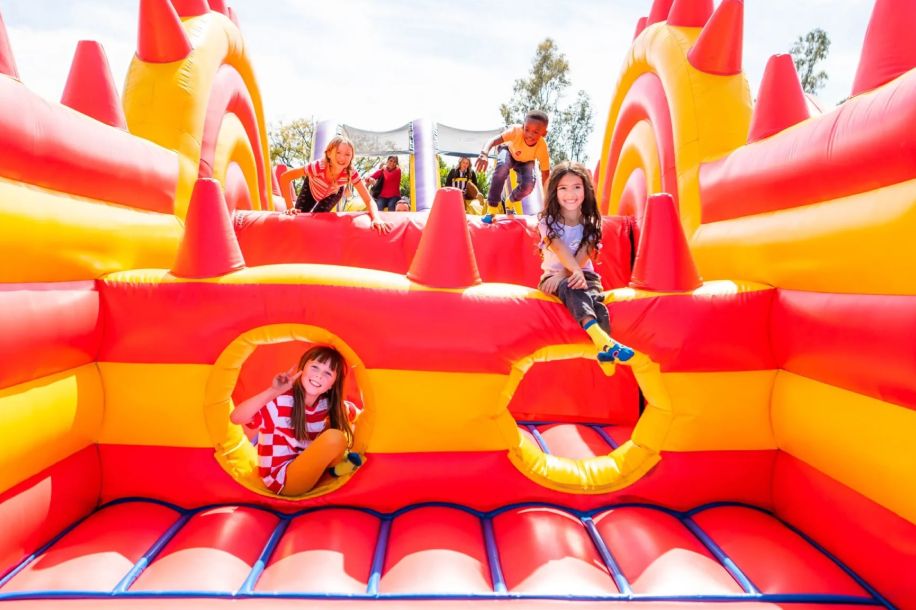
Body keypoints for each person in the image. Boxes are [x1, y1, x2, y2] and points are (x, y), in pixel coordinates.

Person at [229, 345, 364, 496]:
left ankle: (336, 469)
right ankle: (337, 467)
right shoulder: (283, 402)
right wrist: (274, 391)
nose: (319, 375)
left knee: (341, 428)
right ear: (302, 369)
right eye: (315, 367)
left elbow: (358, 415)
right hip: (283, 480)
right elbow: (236, 418)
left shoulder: (327, 405)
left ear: (331, 386)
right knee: (335, 438)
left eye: (327, 373)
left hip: (306, 470)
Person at [537, 161, 634, 366]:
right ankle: (602, 339)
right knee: (572, 287)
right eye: (563, 188)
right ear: (555, 191)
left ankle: (606, 355)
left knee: (596, 299)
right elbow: (559, 248)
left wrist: (572, 273)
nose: (570, 194)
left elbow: (584, 253)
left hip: (583, 275)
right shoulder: (547, 222)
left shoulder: (591, 221)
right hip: (553, 279)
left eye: (576, 187)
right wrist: (568, 275)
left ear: (585, 190)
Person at [281, 136, 391, 234]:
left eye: (347, 154)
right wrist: (290, 207)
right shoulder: (318, 167)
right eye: (338, 152)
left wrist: (376, 218)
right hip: (311, 189)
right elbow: (285, 177)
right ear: (329, 153)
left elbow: (368, 200)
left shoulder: (350, 172)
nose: (342, 158)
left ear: (352, 157)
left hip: (333, 193)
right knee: (299, 218)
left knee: (317, 220)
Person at [475, 110, 551, 223]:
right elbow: (493, 140)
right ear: (523, 126)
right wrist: (484, 153)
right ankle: (491, 210)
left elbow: (545, 174)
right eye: (527, 129)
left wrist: (548, 201)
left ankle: (510, 202)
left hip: (526, 161)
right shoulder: (516, 131)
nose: (530, 135)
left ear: (544, 133)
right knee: (501, 169)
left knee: (529, 185)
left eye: (535, 132)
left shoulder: (542, 147)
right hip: (509, 151)